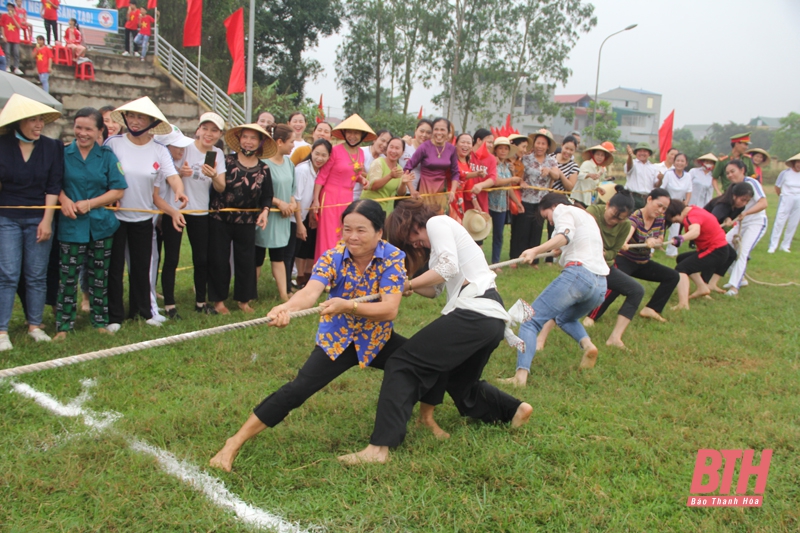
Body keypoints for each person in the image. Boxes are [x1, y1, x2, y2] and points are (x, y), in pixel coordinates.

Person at [210, 199, 449, 471]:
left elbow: (389, 309)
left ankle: (426, 418)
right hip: (338, 341)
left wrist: (349, 305)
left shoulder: (393, 257)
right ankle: (233, 443)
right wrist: (285, 307)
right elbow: (310, 292)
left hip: (377, 339)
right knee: (296, 391)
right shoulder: (333, 256)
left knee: (430, 361)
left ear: (379, 232)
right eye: (347, 229)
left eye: (361, 230)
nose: (352, 237)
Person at [338, 200, 533, 464]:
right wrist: (406, 286)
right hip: (491, 321)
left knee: (402, 362)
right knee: (457, 379)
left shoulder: (437, 222)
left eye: (411, 235)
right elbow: (435, 290)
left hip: (475, 313)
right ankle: (513, 410)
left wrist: (405, 283)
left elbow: (447, 270)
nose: (414, 242)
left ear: (414, 221)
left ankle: (378, 449)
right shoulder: (439, 247)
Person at [501, 193, 608, 385]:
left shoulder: (563, 209)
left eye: (547, 217)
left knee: (530, 321)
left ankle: (520, 377)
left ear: (553, 206)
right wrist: (556, 250)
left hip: (579, 275)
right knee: (565, 318)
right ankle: (588, 345)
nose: (550, 222)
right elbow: (566, 244)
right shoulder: (587, 217)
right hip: (600, 284)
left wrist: (536, 250)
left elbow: (564, 235)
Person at [104, 97, 187, 331]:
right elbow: (103, 174)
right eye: (131, 116)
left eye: (141, 117)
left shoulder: (159, 151)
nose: (135, 121)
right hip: (116, 218)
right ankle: (114, 317)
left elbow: (170, 181)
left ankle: (143, 311)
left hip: (143, 218)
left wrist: (179, 196)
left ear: (151, 122)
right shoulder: (113, 144)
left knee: (142, 268)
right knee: (115, 268)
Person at [53, 108, 127, 340]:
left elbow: (118, 189)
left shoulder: (106, 156)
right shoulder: (62, 153)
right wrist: (64, 200)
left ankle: (99, 320)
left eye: (88, 129)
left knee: (98, 276)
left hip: (101, 226)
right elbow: (52, 183)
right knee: (68, 277)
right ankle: (64, 325)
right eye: (78, 127)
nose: (82, 133)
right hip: (71, 225)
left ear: (99, 131)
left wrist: (91, 203)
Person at [0, 94, 63, 351]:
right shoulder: (2, 144)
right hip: (7, 218)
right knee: (8, 274)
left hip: (39, 217)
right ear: (18, 122)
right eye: (33, 120)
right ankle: (2, 331)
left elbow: (53, 185)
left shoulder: (52, 147)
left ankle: (35, 325)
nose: (39, 125)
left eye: (41, 120)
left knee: (37, 275)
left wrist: (47, 220)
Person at [209, 124, 274, 314]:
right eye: (245, 137)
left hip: (246, 220)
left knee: (246, 261)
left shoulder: (264, 169)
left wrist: (265, 211)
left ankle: (244, 300)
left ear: (260, 142)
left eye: (253, 138)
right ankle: (218, 301)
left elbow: (267, 195)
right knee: (219, 259)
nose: (248, 141)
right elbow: (214, 186)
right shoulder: (226, 161)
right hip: (220, 217)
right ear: (239, 140)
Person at [580, 188, 642, 348]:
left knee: (637, 290)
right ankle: (541, 336)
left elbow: (614, 252)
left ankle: (615, 338)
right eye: (613, 216)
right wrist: (596, 250)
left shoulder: (625, 226)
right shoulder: (592, 212)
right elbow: (582, 240)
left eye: (620, 219)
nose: (614, 221)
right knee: (566, 298)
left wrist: (604, 254)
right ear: (607, 204)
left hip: (605, 268)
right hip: (583, 266)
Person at [312, 114, 374, 259]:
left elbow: (351, 173)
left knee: (343, 233)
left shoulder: (361, 153)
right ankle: (324, 272)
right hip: (330, 198)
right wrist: (316, 200)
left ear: (362, 135)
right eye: (350, 132)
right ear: (344, 133)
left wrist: (361, 180)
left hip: (347, 198)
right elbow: (322, 176)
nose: (353, 136)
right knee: (328, 236)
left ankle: (340, 270)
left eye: (356, 133)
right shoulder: (335, 151)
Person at [255, 124, 299, 302]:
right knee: (257, 258)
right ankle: (248, 295)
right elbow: (258, 190)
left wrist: (291, 204)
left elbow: (291, 189)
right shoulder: (262, 163)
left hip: (282, 219)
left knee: (278, 257)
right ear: (279, 142)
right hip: (265, 217)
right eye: (291, 142)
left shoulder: (289, 163)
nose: (293, 146)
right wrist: (278, 203)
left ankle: (284, 295)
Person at [665, 199, 735, 310]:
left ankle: (683, 304)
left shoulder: (690, 218)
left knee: (681, 268)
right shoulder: (693, 209)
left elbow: (695, 231)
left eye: (672, 219)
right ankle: (702, 288)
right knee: (682, 259)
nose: (674, 222)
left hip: (716, 251)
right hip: (720, 249)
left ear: (674, 212)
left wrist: (681, 238)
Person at [509, 129, 562, 267]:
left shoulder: (551, 160)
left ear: (547, 146)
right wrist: (521, 182)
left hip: (542, 202)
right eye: (538, 143)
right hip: (526, 199)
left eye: (543, 144)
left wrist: (549, 171)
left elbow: (556, 175)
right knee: (521, 230)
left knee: (537, 231)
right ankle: (515, 258)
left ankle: (534, 260)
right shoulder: (526, 158)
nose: (540, 146)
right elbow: (517, 172)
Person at [721, 159, 767, 296]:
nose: (730, 175)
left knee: (742, 252)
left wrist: (746, 213)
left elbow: (763, 203)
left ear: (742, 170)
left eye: (732, 171)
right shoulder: (732, 188)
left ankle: (734, 286)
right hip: (740, 223)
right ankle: (740, 278)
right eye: (727, 173)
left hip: (756, 223)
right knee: (722, 245)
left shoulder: (752, 183)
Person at [294, 139, 331, 288]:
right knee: (297, 247)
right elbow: (296, 197)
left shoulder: (321, 171)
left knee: (310, 244)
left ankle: (307, 276)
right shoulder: (303, 170)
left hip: (309, 213)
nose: (319, 158)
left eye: (324, 155)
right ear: (311, 152)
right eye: (316, 154)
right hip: (296, 214)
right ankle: (298, 277)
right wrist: (299, 224)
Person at [403, 117, 460, 214]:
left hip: (440, 193)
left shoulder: (451, 149)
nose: (439, 133)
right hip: (424, 192)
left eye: (442, 130)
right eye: (436, 129)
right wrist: (412, 190)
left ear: (448, 132)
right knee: (423, 221)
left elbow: (455, 172)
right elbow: (408, 167)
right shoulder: (424, 147)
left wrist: (453, 191)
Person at [485, 136, 521, 264]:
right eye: (500, 148)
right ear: (496, 150)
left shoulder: (507, 166)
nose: (503, 151)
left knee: (498, 234)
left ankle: (496, 262)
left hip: (502, 205)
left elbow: (508, 187)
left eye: (506, 149)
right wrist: (511, 179)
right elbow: (496, 182)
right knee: (482, 232)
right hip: (487, 203)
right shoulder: (492, 163)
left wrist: (517, 202)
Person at [360, 136, 408, 213]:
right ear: (387, 149)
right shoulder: (378, 162)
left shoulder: (399, 169)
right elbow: (373, 186)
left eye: (397, 148)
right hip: (368, 207)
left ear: (402, 152)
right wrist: (390, 176)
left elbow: (400, 194)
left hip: (385, 210)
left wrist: (403, 183)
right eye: (391, 147)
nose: (393, 151)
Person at [661, 153, 693, 257]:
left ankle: (671, 251)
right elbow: (662, 188)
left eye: (682, 161)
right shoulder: (669, 174)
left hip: (678, 206)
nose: (679, 163)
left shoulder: (688, 176)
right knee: (659, 225)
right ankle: (652, 249)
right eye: (677, 160)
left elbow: (689, 190)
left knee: (675, 229)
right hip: (667, 203)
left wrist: (686, 202)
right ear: (674, 162)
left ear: (686, 163)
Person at [768, 153, 800, 254]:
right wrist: (782, 196)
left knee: (793, 223)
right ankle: (773, 245)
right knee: (780, 221)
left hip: (798, 199)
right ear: (794, 163)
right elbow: (777, 186)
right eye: (798, 162)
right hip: (786, 198)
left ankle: (786, 245)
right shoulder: (785, 173)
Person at [355, 129, 390, 201]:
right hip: (353, 194)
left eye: (388, 143)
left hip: (369, 199)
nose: (384, 145)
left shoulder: (384, 160)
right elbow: (357, 172)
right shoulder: (360, 151)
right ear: (374, 139)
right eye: (382, 140)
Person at [624, 142, 659, 209]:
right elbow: (629, 167)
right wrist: (630, 156)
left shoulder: (653, 167)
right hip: (633, 197)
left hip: (647, 199)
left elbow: (656, 185)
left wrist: (661, 179)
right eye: (640, 151)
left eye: (645, 151)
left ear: (649, 153)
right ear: (636, 153)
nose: (642, 153)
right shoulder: (633, 163)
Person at [399, 119, 433, 186]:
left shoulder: (432, 152)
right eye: (422, 131)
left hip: (418, 192)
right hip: (399, 191)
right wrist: (400, 141)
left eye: (428, 133)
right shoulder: (405, 144)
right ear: (415, 131)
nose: (424, 135)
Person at [1, 2, 23, 75]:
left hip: (15, 38)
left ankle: (16, 67)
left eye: (11, 7)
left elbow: (19, 26)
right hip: (7, 37)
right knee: (7, 52)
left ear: (14, 8)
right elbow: (2, 26)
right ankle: (8, 66)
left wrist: (12, 17)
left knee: (16, 53)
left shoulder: (17, 17)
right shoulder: (4, 16)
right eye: (8, 7)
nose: (9, 8)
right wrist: (3, 36)